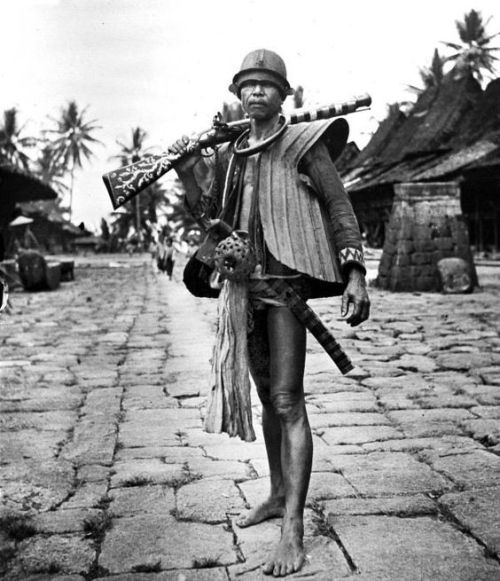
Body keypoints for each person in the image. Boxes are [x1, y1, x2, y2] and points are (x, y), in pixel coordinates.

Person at [169, 49, 370, 577]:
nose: (255, 92)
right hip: (242, 289)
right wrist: (191, 172)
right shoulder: (229, 153)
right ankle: (278, 494)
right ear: (238, 95)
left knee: (287, 399)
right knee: (265, 398)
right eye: (247, 85)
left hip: (285, 287)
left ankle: (295, 527)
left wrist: (355, 273)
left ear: (285, 94)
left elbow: (339, 207)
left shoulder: (302, 144)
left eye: (266, 85)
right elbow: (211, 218)